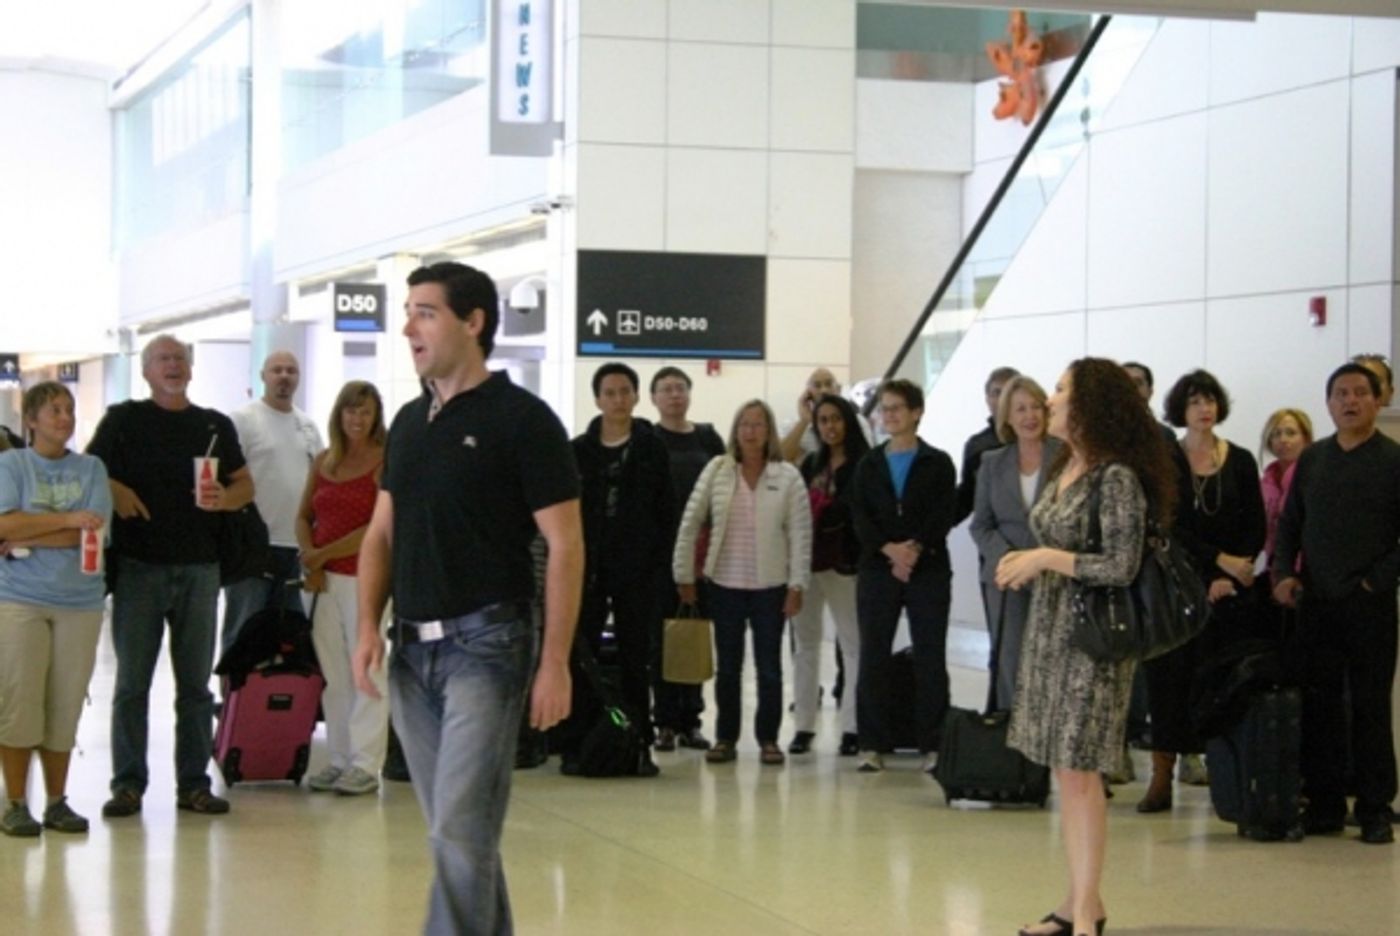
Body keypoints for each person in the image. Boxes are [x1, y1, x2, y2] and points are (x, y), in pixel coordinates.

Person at [351, 261, 583, 934]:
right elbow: (380, 536)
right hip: (411, 657)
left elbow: (566, 546)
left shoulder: (523, 420)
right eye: (408, 311)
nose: (407, 327)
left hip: (487, 646)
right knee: (463, 834)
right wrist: (368, 624)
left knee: (457, 831)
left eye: (425, 312)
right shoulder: (410, 422)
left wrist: (557, 662)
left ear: (472, 322)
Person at [995, 357, 1176, 936]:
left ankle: (1086, 913)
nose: (1050, 399)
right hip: (1051, 630)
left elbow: (1121, 566)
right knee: (1065, 772)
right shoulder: (1068, 465)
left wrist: (1045, 558)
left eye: (1061, 390)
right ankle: (1078, 904)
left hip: (1093, 640)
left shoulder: (1115, 477)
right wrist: (1027, 560)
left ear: (1089, 405)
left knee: (1081, 773)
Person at [88, 334, 254, 819]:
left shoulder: (213, 425)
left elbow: (244, 482)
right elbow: (90, 468)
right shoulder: (124, 420)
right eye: (163, 359)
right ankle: (128, 784)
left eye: (180, 358)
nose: (173, 365)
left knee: (196, 687)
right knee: (132, 685)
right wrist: (114, 488)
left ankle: (193, 784)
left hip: (201, 569)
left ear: (191, 369)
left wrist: (229, 497)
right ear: (146, 371)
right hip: (139, 569)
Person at [1273, 363, 1400, 845]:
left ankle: (1374, 809)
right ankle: (1325, 805)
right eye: (1340, 394)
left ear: (1377, 400)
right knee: (1320, 706)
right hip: (1316, 600)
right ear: (1328, 404)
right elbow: (1289, 525)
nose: (1350, 401)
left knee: (1369, 708)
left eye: (1359, 393)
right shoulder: (1314, 459)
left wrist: (1376, 582)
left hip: (1369, 605)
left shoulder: (1392, 459)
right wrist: (1284, 573)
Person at [1137, 370, 1266, 812]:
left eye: (1209, 400)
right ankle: (1160, 777)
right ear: (1180, 410)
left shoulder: (1243, 459)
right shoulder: (1165, 460)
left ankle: (1225, 774)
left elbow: (1255, 526)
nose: (1203, 409)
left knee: (1221, 683)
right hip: (1178, 590)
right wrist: (1213, 567)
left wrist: (1231, 571)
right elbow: (1169, 528)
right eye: (1194, 402)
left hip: (1231, 591)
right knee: (1167, 683)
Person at [0, 382, 112, 836]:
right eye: (53, 410)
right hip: (19, 600)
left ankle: (57, 800)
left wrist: (26, 536)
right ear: (31, 420)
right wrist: (67, 518)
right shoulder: (11, 464)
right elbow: (5, 521)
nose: (63, 418)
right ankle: (14, 802)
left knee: (64, 704)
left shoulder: (92, 469)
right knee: (20, 701)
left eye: (68, 409)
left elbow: (91, 535)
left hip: (80, 603)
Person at [673, 400, 810, 766]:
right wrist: (683, 575)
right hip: (724, 586)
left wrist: (797, 585)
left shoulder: (788, 476)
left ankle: (768, 738)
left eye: (758, 425)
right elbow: (691, 522)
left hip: (772, 588)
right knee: (728, 667)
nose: (750, 431)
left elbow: (800, 534)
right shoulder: (717, 470)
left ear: (769, 432)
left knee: (769, 668)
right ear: (735, 431)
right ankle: (725, 737)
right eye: (744, 425)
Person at [570, 362, 674, 775]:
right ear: (597, 399)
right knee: (584, 653)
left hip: (638, 570)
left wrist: (661, 563)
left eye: (624, 391)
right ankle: (582, 741)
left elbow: (666, 510)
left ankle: (638, 742)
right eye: (609, 392)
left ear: (635, 396)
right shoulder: (578, 450)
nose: (617, 399)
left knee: (635, 657)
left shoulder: (651, 448)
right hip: (588, 569)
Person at [850, 379, 957, 773]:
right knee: (873, 655)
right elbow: (860, 515)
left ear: (916, 412)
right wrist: (889, 549)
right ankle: (872, 743)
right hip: (879, 568)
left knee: (930, 656)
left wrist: (914, 549)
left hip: (927, 567)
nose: (890, 415)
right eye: (885, 408)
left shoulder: (938, 462)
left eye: (898, 408)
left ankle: (933, 742)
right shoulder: (869, 463)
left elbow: (942, 513)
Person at [295, 380, 388, 796]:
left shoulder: (386, 462)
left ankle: (366, 765)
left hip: (366, 580)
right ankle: (338, 757)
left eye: (365, 411)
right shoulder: (323, 462)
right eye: (351, 410)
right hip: (322, 582)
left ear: (375, 417)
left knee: (366, 672)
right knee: (333, 675)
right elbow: (303, 516)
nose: (357, 419)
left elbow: (376, 528)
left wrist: (321, 554)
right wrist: (310, 556)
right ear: (339, 414)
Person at [970, 375, 1061, 710]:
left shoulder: (1066, 457)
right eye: (1020, 409)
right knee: (1011, 662)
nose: (1029, 416)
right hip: (1006, 579)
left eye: (1036, 406)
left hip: (1054, 574)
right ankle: (1013, 744)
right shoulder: (992, 463)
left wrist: (1040, 559)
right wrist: (1009, 558)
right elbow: (981, 525)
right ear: (1006, 416)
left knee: (1053, 662)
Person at [222, 351, 323, 655]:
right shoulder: (243, 421)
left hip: (296, 549)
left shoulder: (307, 426)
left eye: (291, 371)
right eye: (276, 370)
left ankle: (278, 702)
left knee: (289, 639)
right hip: (252, 549)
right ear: (263, 376)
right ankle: (234, 700)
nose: (284, 376)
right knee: (244, 632)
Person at [789, 394, 870, 757]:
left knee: (852, 646)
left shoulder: (866, 465)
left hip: (845, 565)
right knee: (805, 645)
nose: (830, 426)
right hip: (807, 565)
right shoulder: (810, 464)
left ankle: (851, 727)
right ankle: (804, 725)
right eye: (823, 420)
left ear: (848, 422)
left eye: (836, 418)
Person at [648, 366, 722, 751]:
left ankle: (691, 719)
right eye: (666, 389)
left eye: (680, 388)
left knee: (694, 634)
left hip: (702, 555)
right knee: (662, 637)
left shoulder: (708, 439)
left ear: (689, 395)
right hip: (660, 555)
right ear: (654, 398)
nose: (674, 395)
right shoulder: (648, 439)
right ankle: (663, 721)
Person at [953, 365, 1019, 526]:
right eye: (997, 393)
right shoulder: (976, 446)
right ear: (987, 399)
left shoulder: (1044, 440)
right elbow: (967, 497)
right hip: (993, 542)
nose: (1003, 399)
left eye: (1009, 392)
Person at [1259, 408, 1313, 578]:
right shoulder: (1265, 482)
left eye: (1291, 433)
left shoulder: (1313, 478)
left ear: (1306, 438)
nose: (1283, 440)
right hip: (1269, 568)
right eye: (1276, 434)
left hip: (1305, 571)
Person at [779, 367, 873, 464]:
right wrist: (804, 421)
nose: (824, 390)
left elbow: (866, 457)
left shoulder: (858, 421)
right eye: (817, 385)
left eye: (828, 384)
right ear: (807, 393)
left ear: (838, 390)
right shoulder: (792, 426)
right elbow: (781, 459)